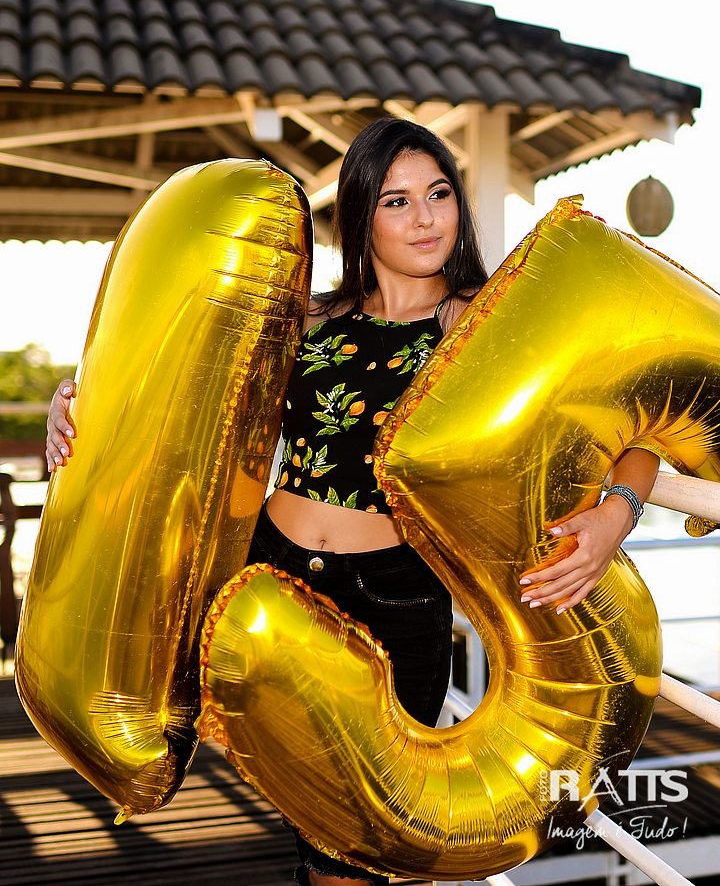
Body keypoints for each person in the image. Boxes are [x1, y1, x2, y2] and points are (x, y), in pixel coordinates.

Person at [44, 117, 658, 886]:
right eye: (397, 201)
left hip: (393, 602)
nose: (425, 218)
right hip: (269, 583)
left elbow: (639, 414)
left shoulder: (484, 323)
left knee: (362, 849)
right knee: (315, 833)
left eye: (438, 194)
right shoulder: (306, 320)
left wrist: (616, 512)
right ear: (362, 215)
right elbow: (169, 390)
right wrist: (72, 403)